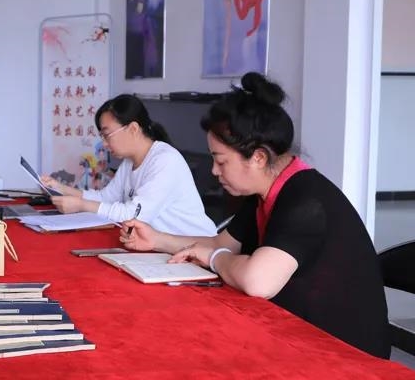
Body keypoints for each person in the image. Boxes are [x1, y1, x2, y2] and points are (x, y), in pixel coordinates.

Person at [120, 73, 390, 359]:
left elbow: (257, 280)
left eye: (221, 161)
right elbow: (220, 243)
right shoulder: (264, 192)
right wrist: (157, 240)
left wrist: (215, 259)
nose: (214, 171)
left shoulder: (307, 202)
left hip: (342, 355)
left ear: (258, 158)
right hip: (296, 333)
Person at [42, 94, 216, 237]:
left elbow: (133, 214)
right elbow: (106, 198)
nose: (104, 143)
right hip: (161, 249)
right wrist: (61, 189)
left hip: (196, 249)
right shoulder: (129, 162)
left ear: (133, 129)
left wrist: (81, 205)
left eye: (107, 135)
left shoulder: (165, 160)